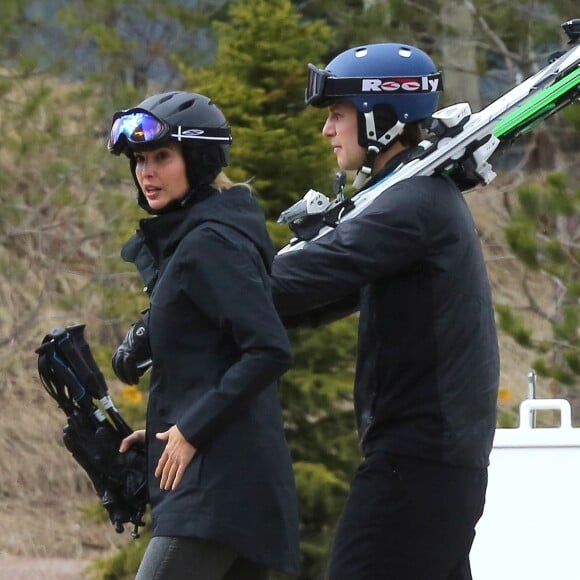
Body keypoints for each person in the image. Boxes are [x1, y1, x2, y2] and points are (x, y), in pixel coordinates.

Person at [271, 43, 500, 580]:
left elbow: (300, 277)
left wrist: (204, 277)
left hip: (417, 461)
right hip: (434, 459)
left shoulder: (410, 205)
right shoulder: (414, 200)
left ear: (381, 116)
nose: (327, 130)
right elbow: (319, 297)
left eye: (337, 114)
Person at [107, 91, 300, 580]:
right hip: (216, 480)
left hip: (219, 490)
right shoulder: (197, 235)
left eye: (161, 157)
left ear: (197, 158)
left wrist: (192, 430)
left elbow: (268, 349)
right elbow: (207, 360)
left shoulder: (211, 242)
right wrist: (165, 431)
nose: (146, 172)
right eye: (140, 160)